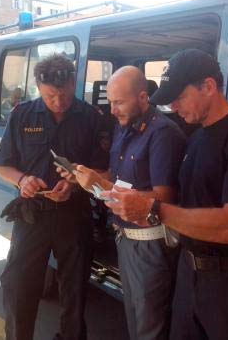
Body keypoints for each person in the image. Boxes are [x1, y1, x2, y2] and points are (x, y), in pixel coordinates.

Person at [102, 49, 228, 340]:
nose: (173, 105)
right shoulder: (195, 138)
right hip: (189, 272)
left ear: (208, 86)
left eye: (179, 97)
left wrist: (153, 209)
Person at [0, 53, 109, 340]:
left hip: (74, 215)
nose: (58, 102)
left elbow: (104, 170)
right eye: (50, 96)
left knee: (75, 290)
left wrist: (76, 183)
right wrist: (22, 180)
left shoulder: (91, 118)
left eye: (65, 96)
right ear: (38, 87)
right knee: (19, 285)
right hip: (32, 215)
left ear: (73, 84)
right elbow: (0, 164)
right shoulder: (22, 114)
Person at [67, 66, 186, 340]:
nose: (112, 110)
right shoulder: (123, 127)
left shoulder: (163, 133)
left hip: (150, 241)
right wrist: (85, 176)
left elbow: (163, 200)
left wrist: (101, 185)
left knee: (150, 324)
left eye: (118, 102)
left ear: (143, 97)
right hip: (124, 237)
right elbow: (119, 180)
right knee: (134, 316)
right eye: (110, 102)